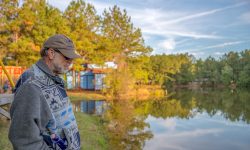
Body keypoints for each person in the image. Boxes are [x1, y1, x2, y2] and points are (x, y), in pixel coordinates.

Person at [8, 34, 81, 150]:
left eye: (72, 59)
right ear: (51, 53)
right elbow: (24, 141)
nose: (70, 62)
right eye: (67, 57)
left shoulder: (53, 77)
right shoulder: (31, 85)